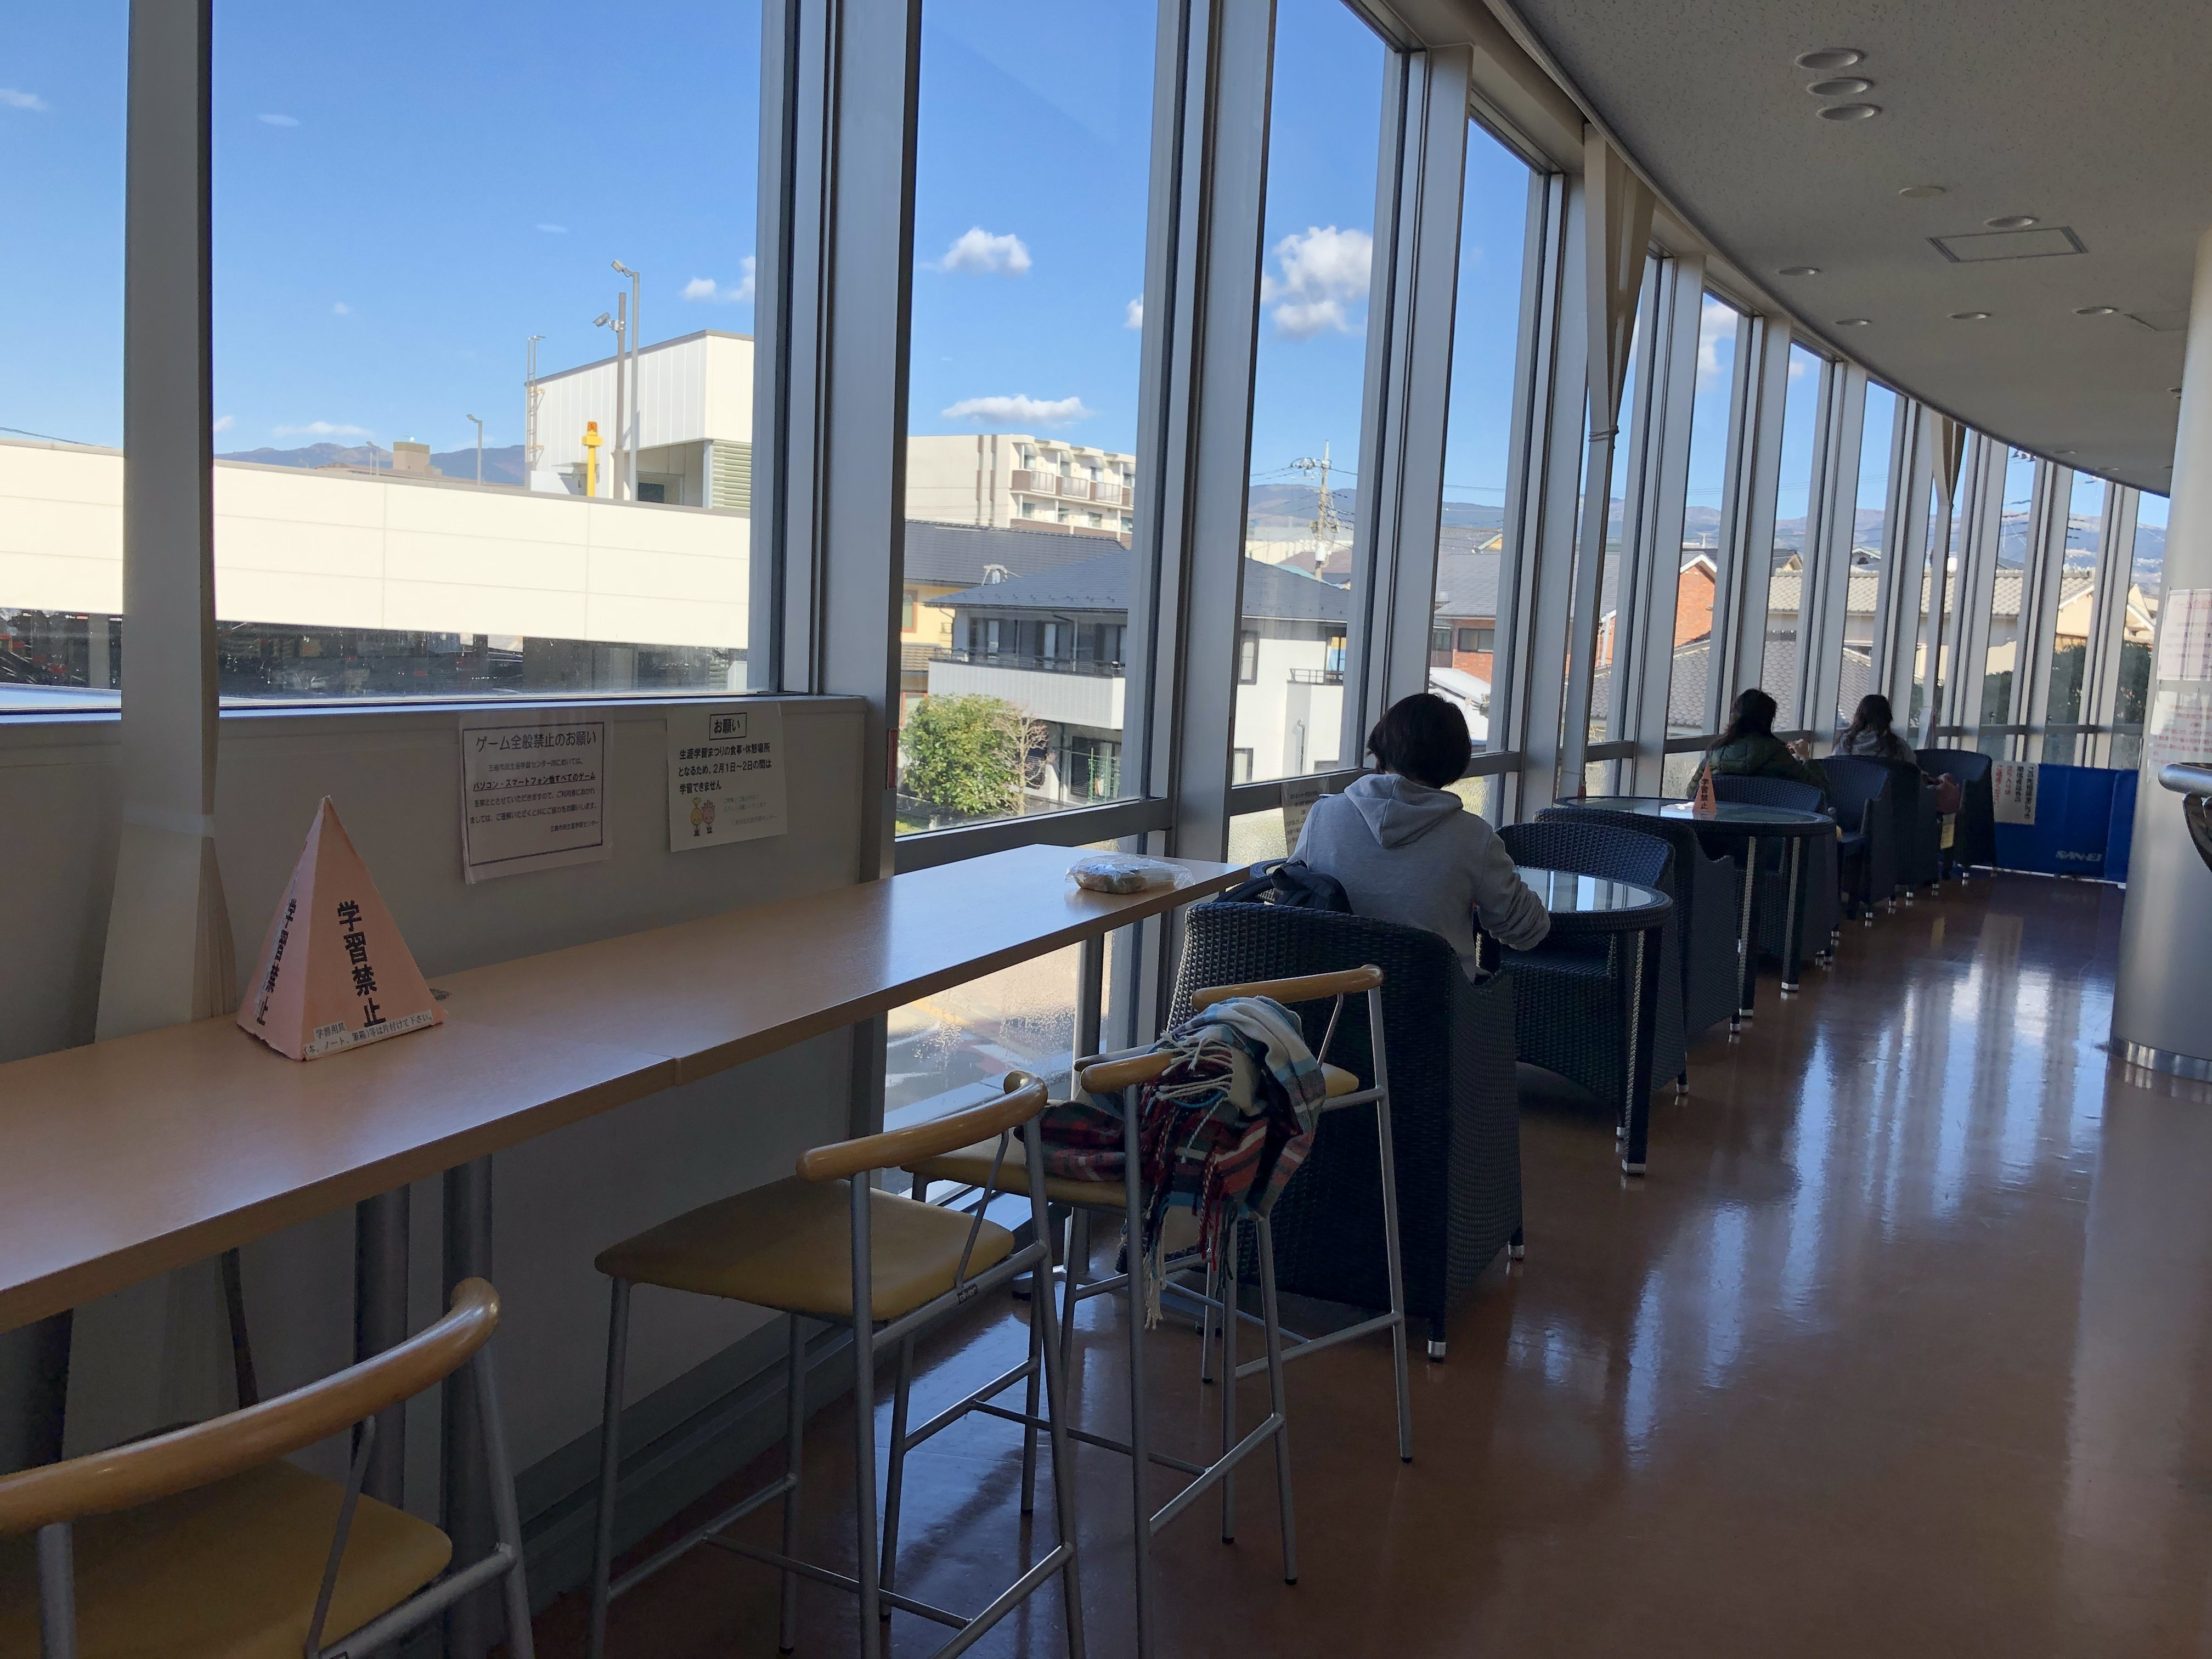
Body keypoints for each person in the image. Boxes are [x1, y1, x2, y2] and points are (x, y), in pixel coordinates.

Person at [1293, 692, 1550, 977]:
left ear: (1381, 747)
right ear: (1455, 761)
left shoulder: (1323, 815)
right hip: (1437, 1000)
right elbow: (1529, 931)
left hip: (1335, 994)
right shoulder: (1474, 837)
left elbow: (1292, 895)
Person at [1692, 688, 1826, 792]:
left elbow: (1693, 792)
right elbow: (1819, 790)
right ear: (1768, 720)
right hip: (1769, 819)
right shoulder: (1777, 754)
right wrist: (1805, 757)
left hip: (1721, 819)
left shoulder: (1716, 751)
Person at [1835, 693, 1918, 766]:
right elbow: (1913, 770)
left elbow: (1833, 768)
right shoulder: (1898, 747)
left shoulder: (1845, 744)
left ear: (1859, 717)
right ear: (1888, 718)